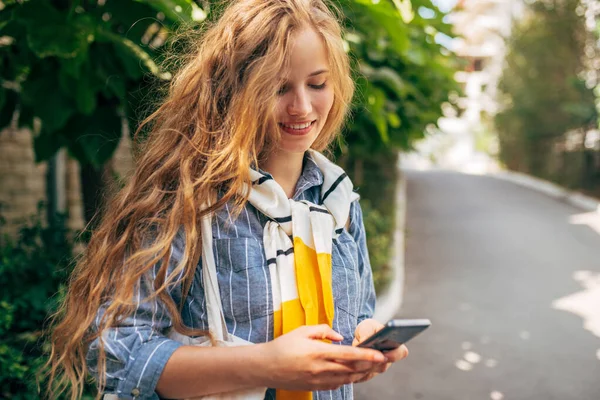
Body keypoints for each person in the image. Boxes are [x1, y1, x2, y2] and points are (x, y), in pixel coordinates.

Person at [47, 0, 409, 399]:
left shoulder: (338, 202)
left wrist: (366, 337)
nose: (302, 107)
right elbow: (116, 349)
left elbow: (359, 313)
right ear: (234, 91)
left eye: (317, 84)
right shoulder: (186, 200)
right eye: (278, 87)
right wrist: (266, 365)